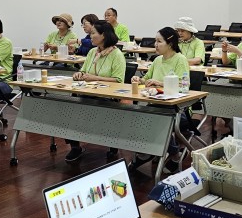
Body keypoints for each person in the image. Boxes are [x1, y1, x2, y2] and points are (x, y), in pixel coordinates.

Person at [64, 21, 126, 162]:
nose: (90, 36)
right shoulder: (93, 52)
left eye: (93, 33)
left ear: (103, 35)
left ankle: (112, 143)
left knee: (83, 108)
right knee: (68, 109)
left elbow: (118, 81)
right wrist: (79, 74)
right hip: (87, 93)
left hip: (107, 97)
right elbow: (84, 71)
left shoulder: (117, 55)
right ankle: (75, 147)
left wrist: (94, 78)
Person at [131, 27, 190, 171]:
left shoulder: (180, 59)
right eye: (155, 41)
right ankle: (151, 151)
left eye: (159, 41)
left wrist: (160, 83)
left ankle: (172, 154)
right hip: (156, 105)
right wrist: (139, 80)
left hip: (177, 109)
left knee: (158, 120)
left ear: (170, 43)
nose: (155, 45)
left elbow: (184, 86)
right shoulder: (157, 60)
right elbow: (147, 79)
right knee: (139, 117)